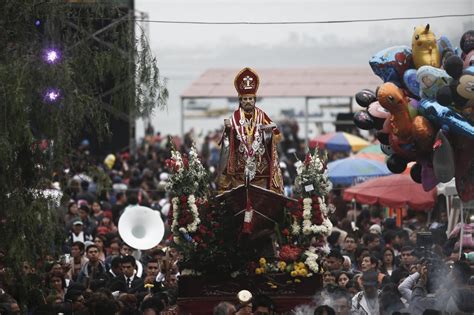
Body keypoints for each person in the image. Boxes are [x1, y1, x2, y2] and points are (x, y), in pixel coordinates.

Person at [217, 67, 283, 194]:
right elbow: (227, 143)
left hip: (260, 171)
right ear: (240, 101)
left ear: (254, 100)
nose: (248, 102)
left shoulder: (262, 116)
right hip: (239, 171)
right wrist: (228, 129)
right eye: (245, 99)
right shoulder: (234, 118)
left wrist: (268, 132)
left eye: (250, 99)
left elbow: (277, 135)